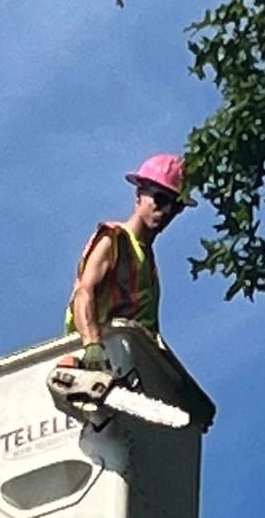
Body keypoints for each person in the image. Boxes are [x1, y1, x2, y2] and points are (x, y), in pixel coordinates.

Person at [65, 155, 191, 371]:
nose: (167, 210)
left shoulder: (149, 265)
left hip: (129, 360)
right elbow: (84, 291)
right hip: (98, 355)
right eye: (160, 199)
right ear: (139, 195)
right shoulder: (114, 238)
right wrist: (92, 343)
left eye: (176, 205)